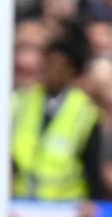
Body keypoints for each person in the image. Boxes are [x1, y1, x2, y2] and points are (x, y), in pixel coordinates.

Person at [10, 25, 103, 201]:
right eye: (47, 63)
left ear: (71, 72)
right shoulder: (22, 101)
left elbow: (92, 165)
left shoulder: (85, 112)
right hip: (22, 201)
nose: (49, 70)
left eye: (57, 65)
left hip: (66, 205)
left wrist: (93, 200)